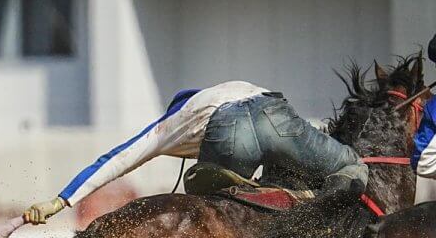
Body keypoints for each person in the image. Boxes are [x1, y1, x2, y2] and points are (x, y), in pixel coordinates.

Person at [24, 83, 368, 224]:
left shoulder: (171, 123)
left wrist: (59, 201)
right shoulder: (224, 88)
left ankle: (233, 190)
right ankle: (315, 198)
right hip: (273, 109)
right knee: (351, 165)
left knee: (217, 208)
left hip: (226, 132)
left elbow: (115, 160)